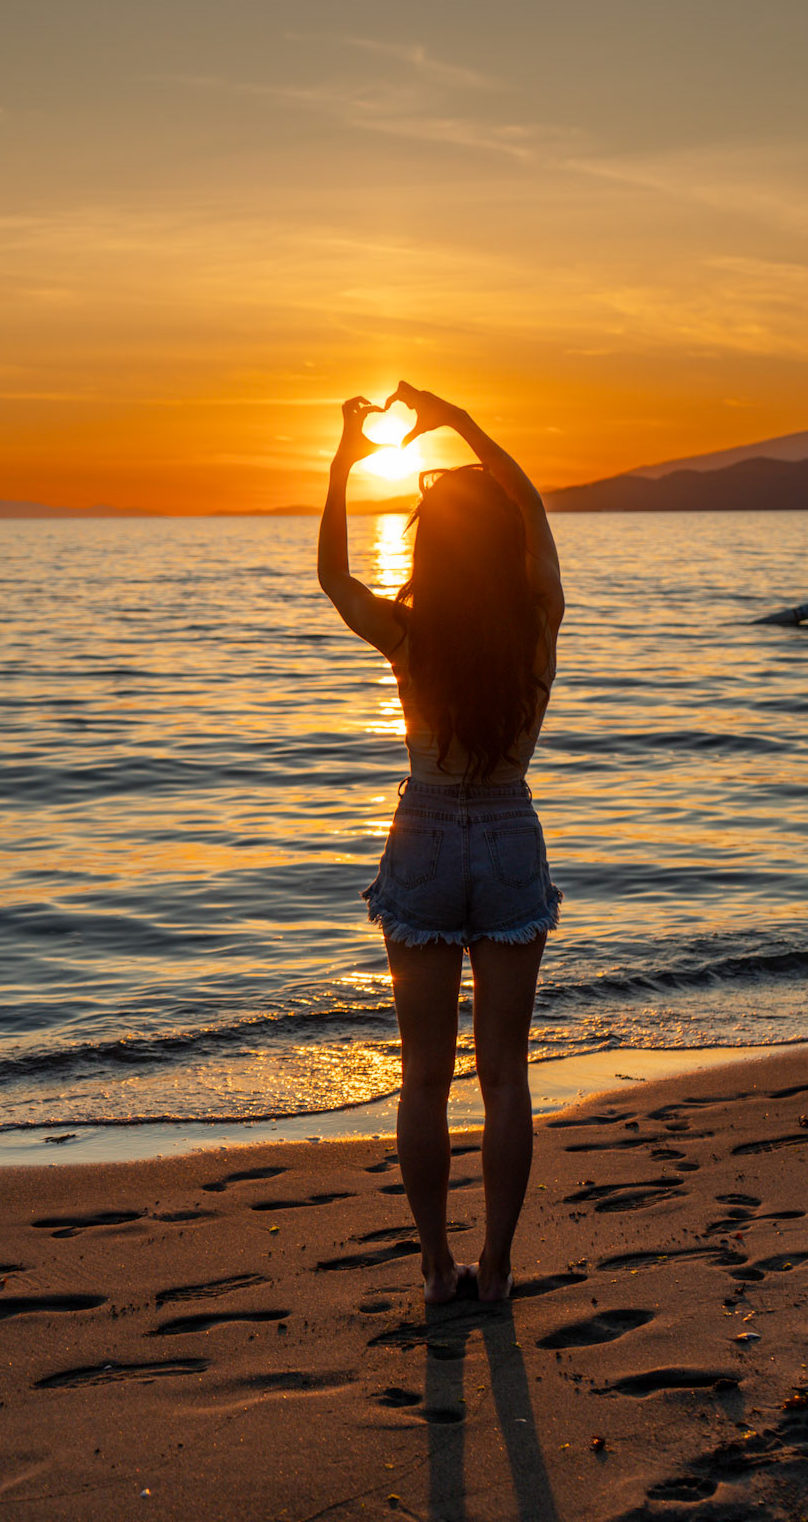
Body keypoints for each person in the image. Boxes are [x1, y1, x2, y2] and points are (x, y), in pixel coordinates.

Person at [318, 382, 565, 1304]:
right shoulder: (537, 624)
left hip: (423, 831)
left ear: (430, 545)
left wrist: (347, 458)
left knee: (423, 1078)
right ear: (502, 545)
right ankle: (495, 1270)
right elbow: (532, 508)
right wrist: (459, 421)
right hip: (506, 830)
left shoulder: (408, 634)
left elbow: (334, 581)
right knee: (504, 1076)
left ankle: (433, 1266)